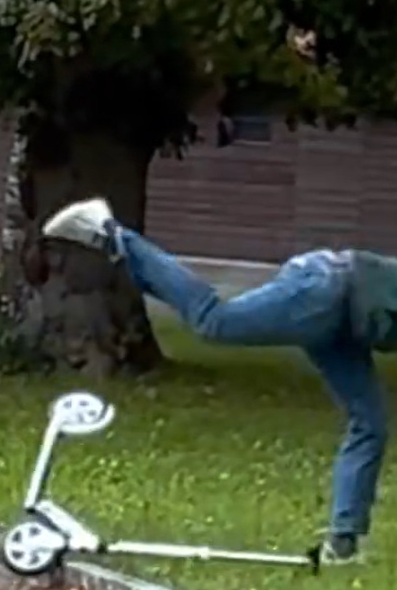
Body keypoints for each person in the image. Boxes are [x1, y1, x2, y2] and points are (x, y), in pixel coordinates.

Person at [42, 197, 397, 565]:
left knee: (368, 424)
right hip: (328, 291)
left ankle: (343, 544)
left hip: (343, 323)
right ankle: (109, 232)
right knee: (215, 322)